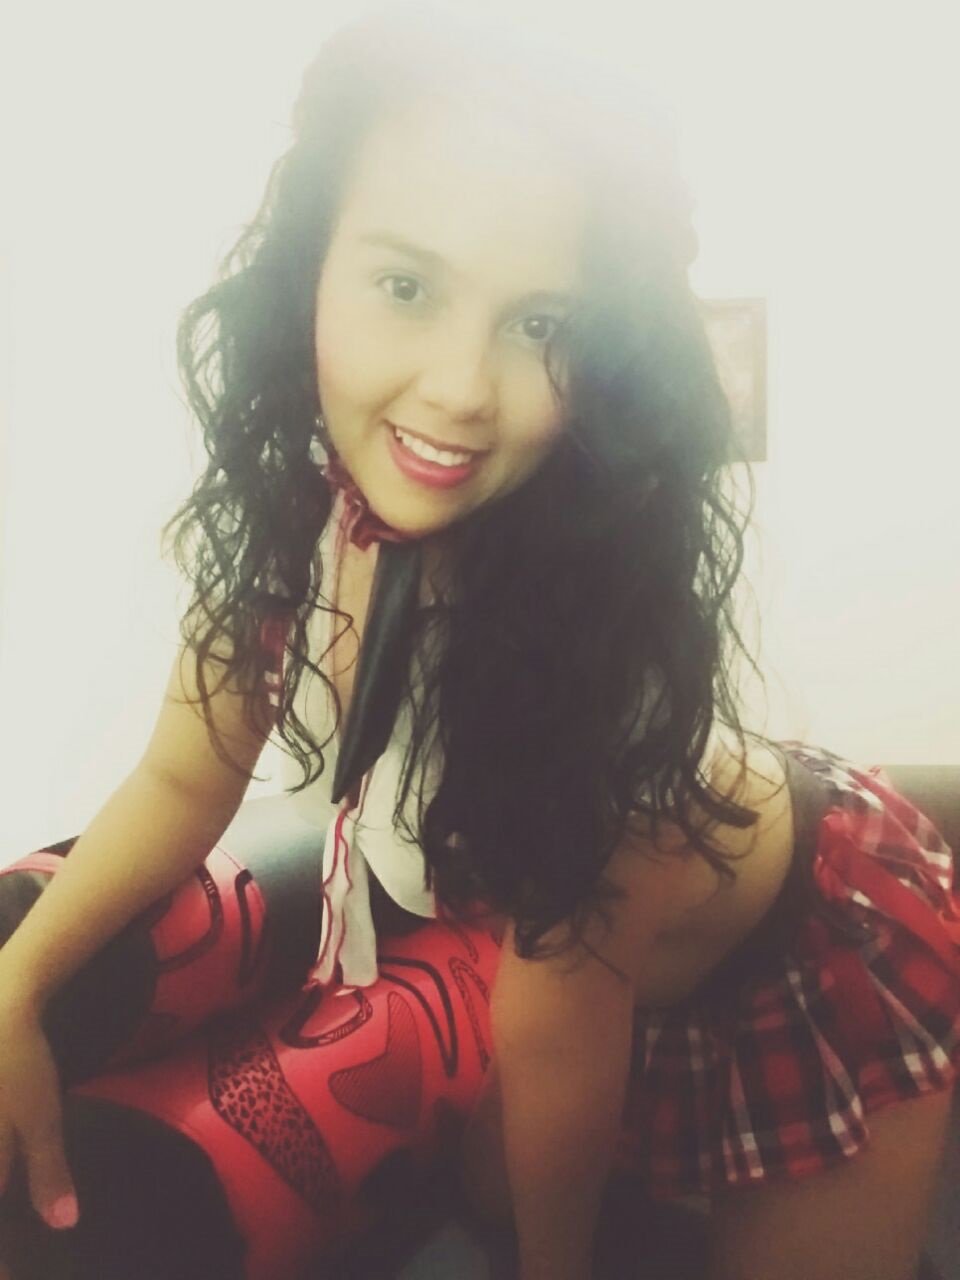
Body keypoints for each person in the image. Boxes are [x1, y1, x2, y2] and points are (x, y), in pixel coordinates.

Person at [1, 6, 958, 1279]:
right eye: (406, 285)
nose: (459, 388)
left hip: (795, 944)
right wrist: (18, 980)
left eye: (541, 323)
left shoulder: (592, 655)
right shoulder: (302, 521)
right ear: (312, 272)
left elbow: (562, 1028)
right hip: (574, 968)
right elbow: (187, 773)